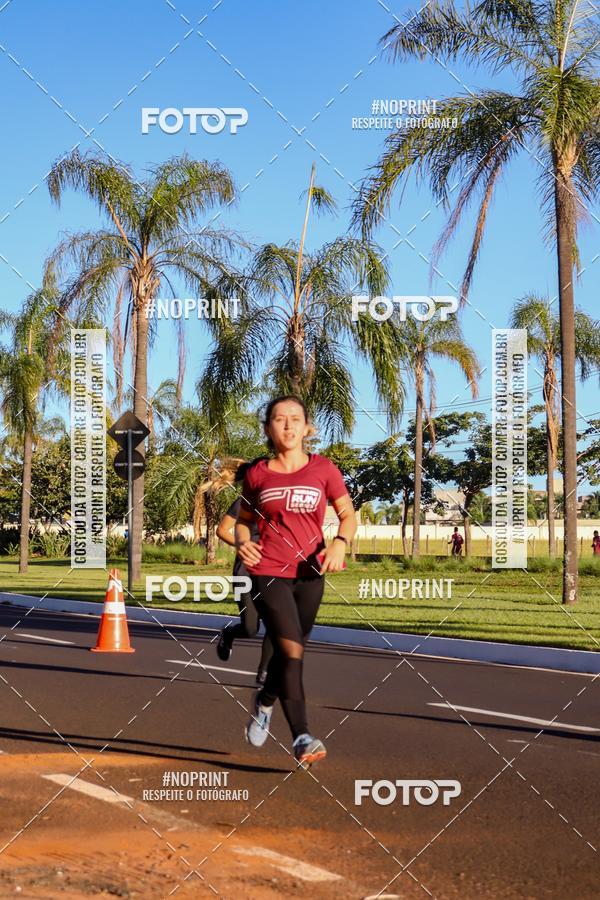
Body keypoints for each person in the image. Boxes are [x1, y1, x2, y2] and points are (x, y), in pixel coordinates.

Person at [235, 395, 356, 767]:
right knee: (291, 652)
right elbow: (242, 521)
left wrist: (340, 543)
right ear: (268, 428)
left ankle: (265, 701)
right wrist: (243, 543)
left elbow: (348, 515)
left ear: (308, 429)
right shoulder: (258, 474)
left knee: (293, 653)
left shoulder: (324, 469)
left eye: (295, 419)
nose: (287, 425)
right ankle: (302, 736)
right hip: (268, 572)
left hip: (310, 574)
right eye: (279, 419)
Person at [215, 461, 273, 686]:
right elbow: (222, 530)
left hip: (273, 571)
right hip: (246, 571)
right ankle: (229, 634)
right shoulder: (243, 503)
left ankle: (264, 671)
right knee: (250, 628)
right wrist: (244, 545)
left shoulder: (279, 505)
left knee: (276, 623)